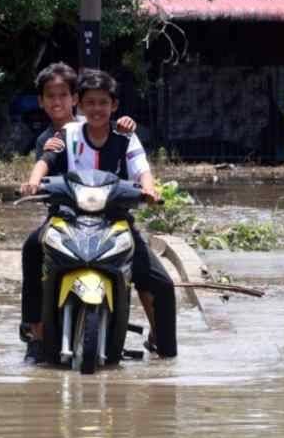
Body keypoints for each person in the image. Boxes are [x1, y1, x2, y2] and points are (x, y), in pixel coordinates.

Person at [19, 68, 178, 363]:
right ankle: (37, 332)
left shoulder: (125, 136)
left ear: (114, 105)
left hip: (115, 219)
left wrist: (150, 190)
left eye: (103, 103)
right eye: (90, 103)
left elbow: (142, 170)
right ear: (80, 104)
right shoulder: (66, 133)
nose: (97, 109)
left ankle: (164, 347)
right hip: (68, 216)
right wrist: (32, 181)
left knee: (161, 283)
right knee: (31, 247)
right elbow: (46, 160)